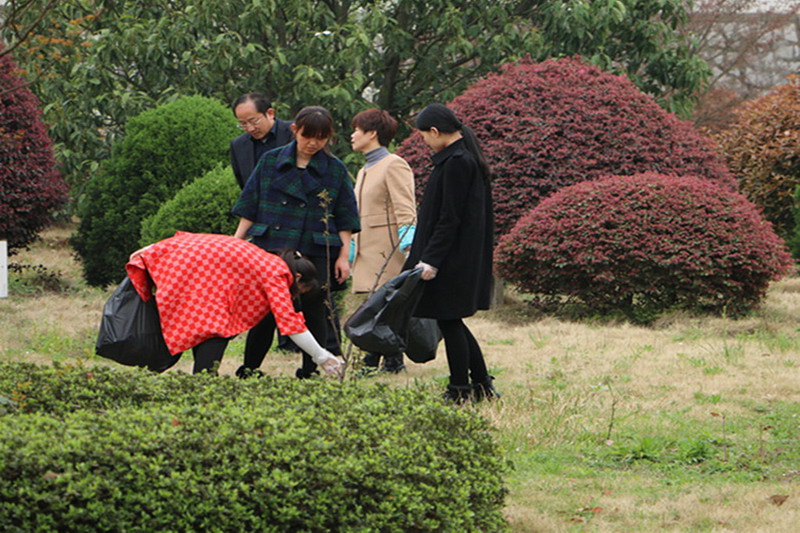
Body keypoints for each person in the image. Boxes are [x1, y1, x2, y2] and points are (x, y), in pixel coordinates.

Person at [232, 105, 361, 379]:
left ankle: (310, 370)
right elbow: (250, 205)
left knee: (316, 310)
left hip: (316, 248)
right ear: (294, 130)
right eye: (307, 136)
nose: (313, 143)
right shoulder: (270, 161)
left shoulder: (335, 169)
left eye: (321, 138)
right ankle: (250, 368)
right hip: (272, 245)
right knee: (265, 311)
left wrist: (343, 257)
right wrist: (236, 244)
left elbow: (346, 216)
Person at [126, 232, 344, 376]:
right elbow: (290, 324)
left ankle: (198, 380)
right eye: (299, 291)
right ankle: (202, 384)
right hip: (195, 281)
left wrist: (154, 248)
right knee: (215, 330)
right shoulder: (277, 274)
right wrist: (321, 356)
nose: (294, 296)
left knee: (207, 330)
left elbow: (203, 240)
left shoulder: (266, 259)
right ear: (297, 277)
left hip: (193, 277)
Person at [403, 103, 498, 403]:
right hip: (455, 256)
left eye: (424, 136)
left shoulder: (458, 162)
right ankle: (481, 384)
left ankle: (460, 389)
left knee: (449, 320)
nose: (425, 142)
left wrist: (431, 260)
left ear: (435, 131)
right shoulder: (461, 159)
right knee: (452, 320)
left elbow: (449, 218)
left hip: (451, 258)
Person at [349, 108, 417, 374]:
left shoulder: (394, 163)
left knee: (388, 304)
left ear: (372, 133)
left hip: (388, 246)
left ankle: (391, 358)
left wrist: (408, 240)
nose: (352, 135)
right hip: (367, 246)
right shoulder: (364, 169)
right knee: (375, 304)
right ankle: (377, 357)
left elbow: (405, 205)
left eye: (357, 130)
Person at [230, 92, 294, 189]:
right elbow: (244, 186)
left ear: (270, 113)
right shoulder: (238, 146)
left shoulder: (296, 133)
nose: (250, 128)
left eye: (253, 121)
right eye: (243, 124)